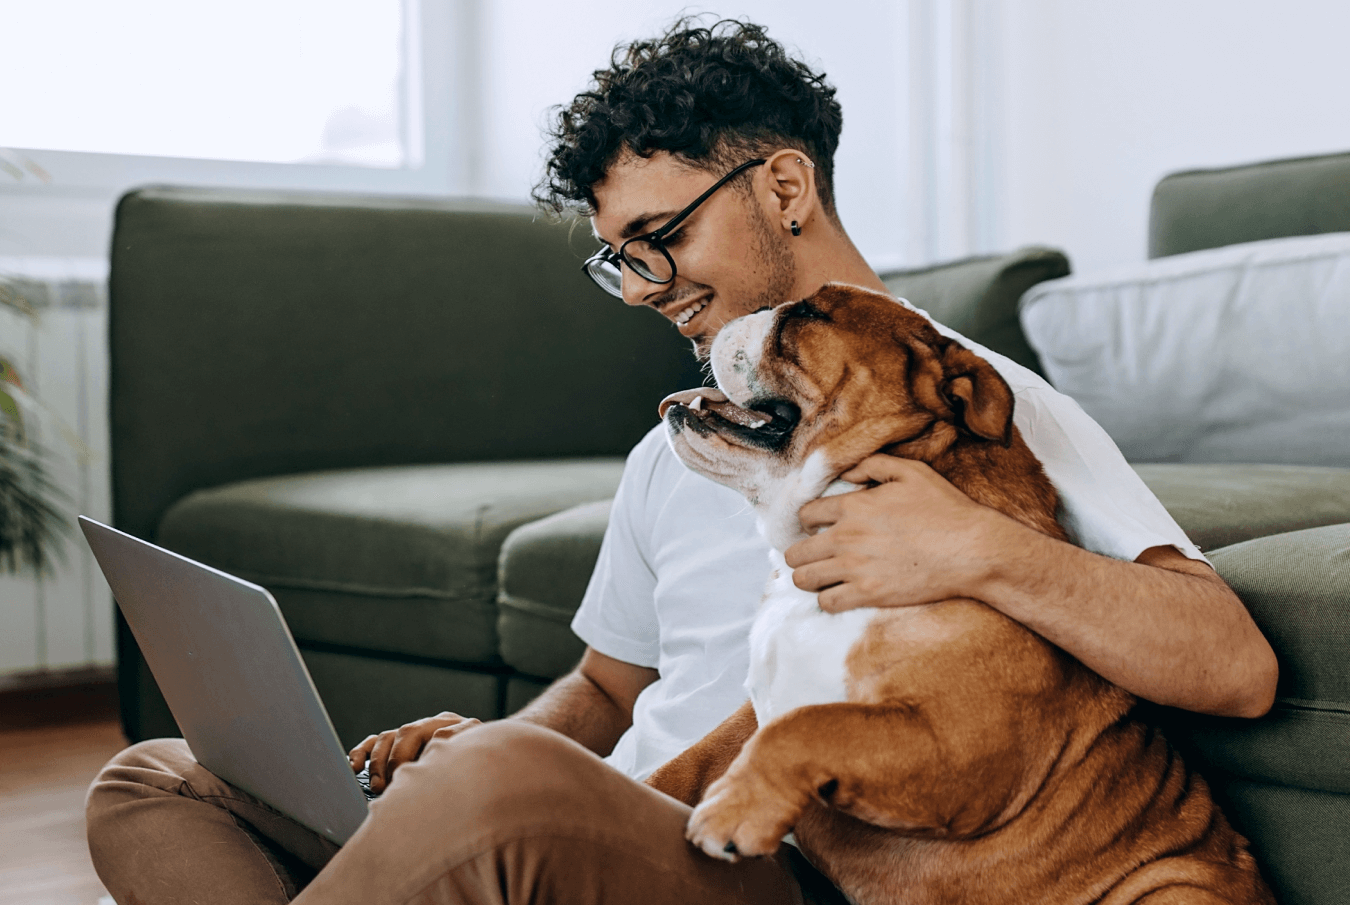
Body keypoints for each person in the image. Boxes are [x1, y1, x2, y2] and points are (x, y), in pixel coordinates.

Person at [85, 18, 1278, 905]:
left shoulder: (973, 407)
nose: (651, 290)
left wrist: (983, 547)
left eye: (662, 238)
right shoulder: (692, 431)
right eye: (621, 260)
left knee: (496, 791)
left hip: (769, 856)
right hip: (589, 822)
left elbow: (1231, 662)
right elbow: (609, 691)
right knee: (152, 779)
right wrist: (479, 751)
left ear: (786, 186)